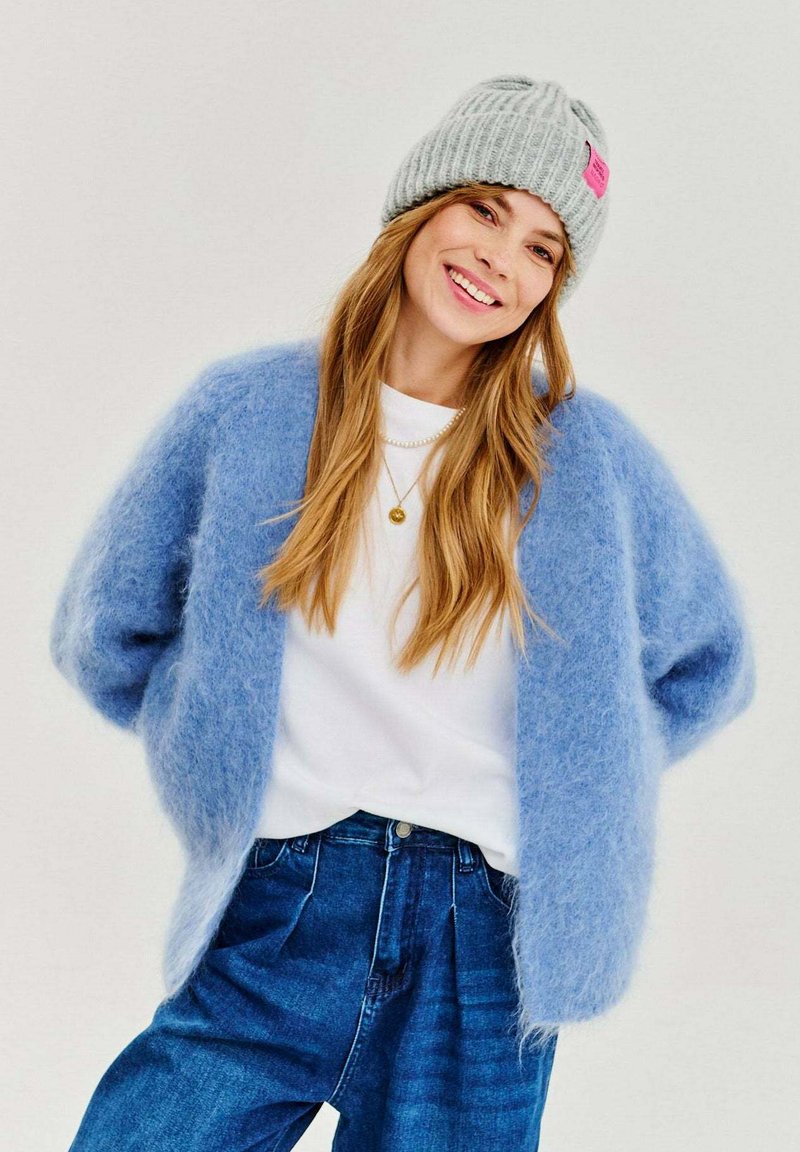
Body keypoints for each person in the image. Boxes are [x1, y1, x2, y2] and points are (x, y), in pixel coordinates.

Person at [50, 75, 756, 1150]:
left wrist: (584, 771)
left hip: (482, 950)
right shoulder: (246, 411)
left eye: (542, 248)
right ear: (422, 205)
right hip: (281, 905)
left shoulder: (587, 458)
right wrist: (210, 743)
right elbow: (105, 632)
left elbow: (710, 665)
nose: (502, 260)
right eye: (485, 209)